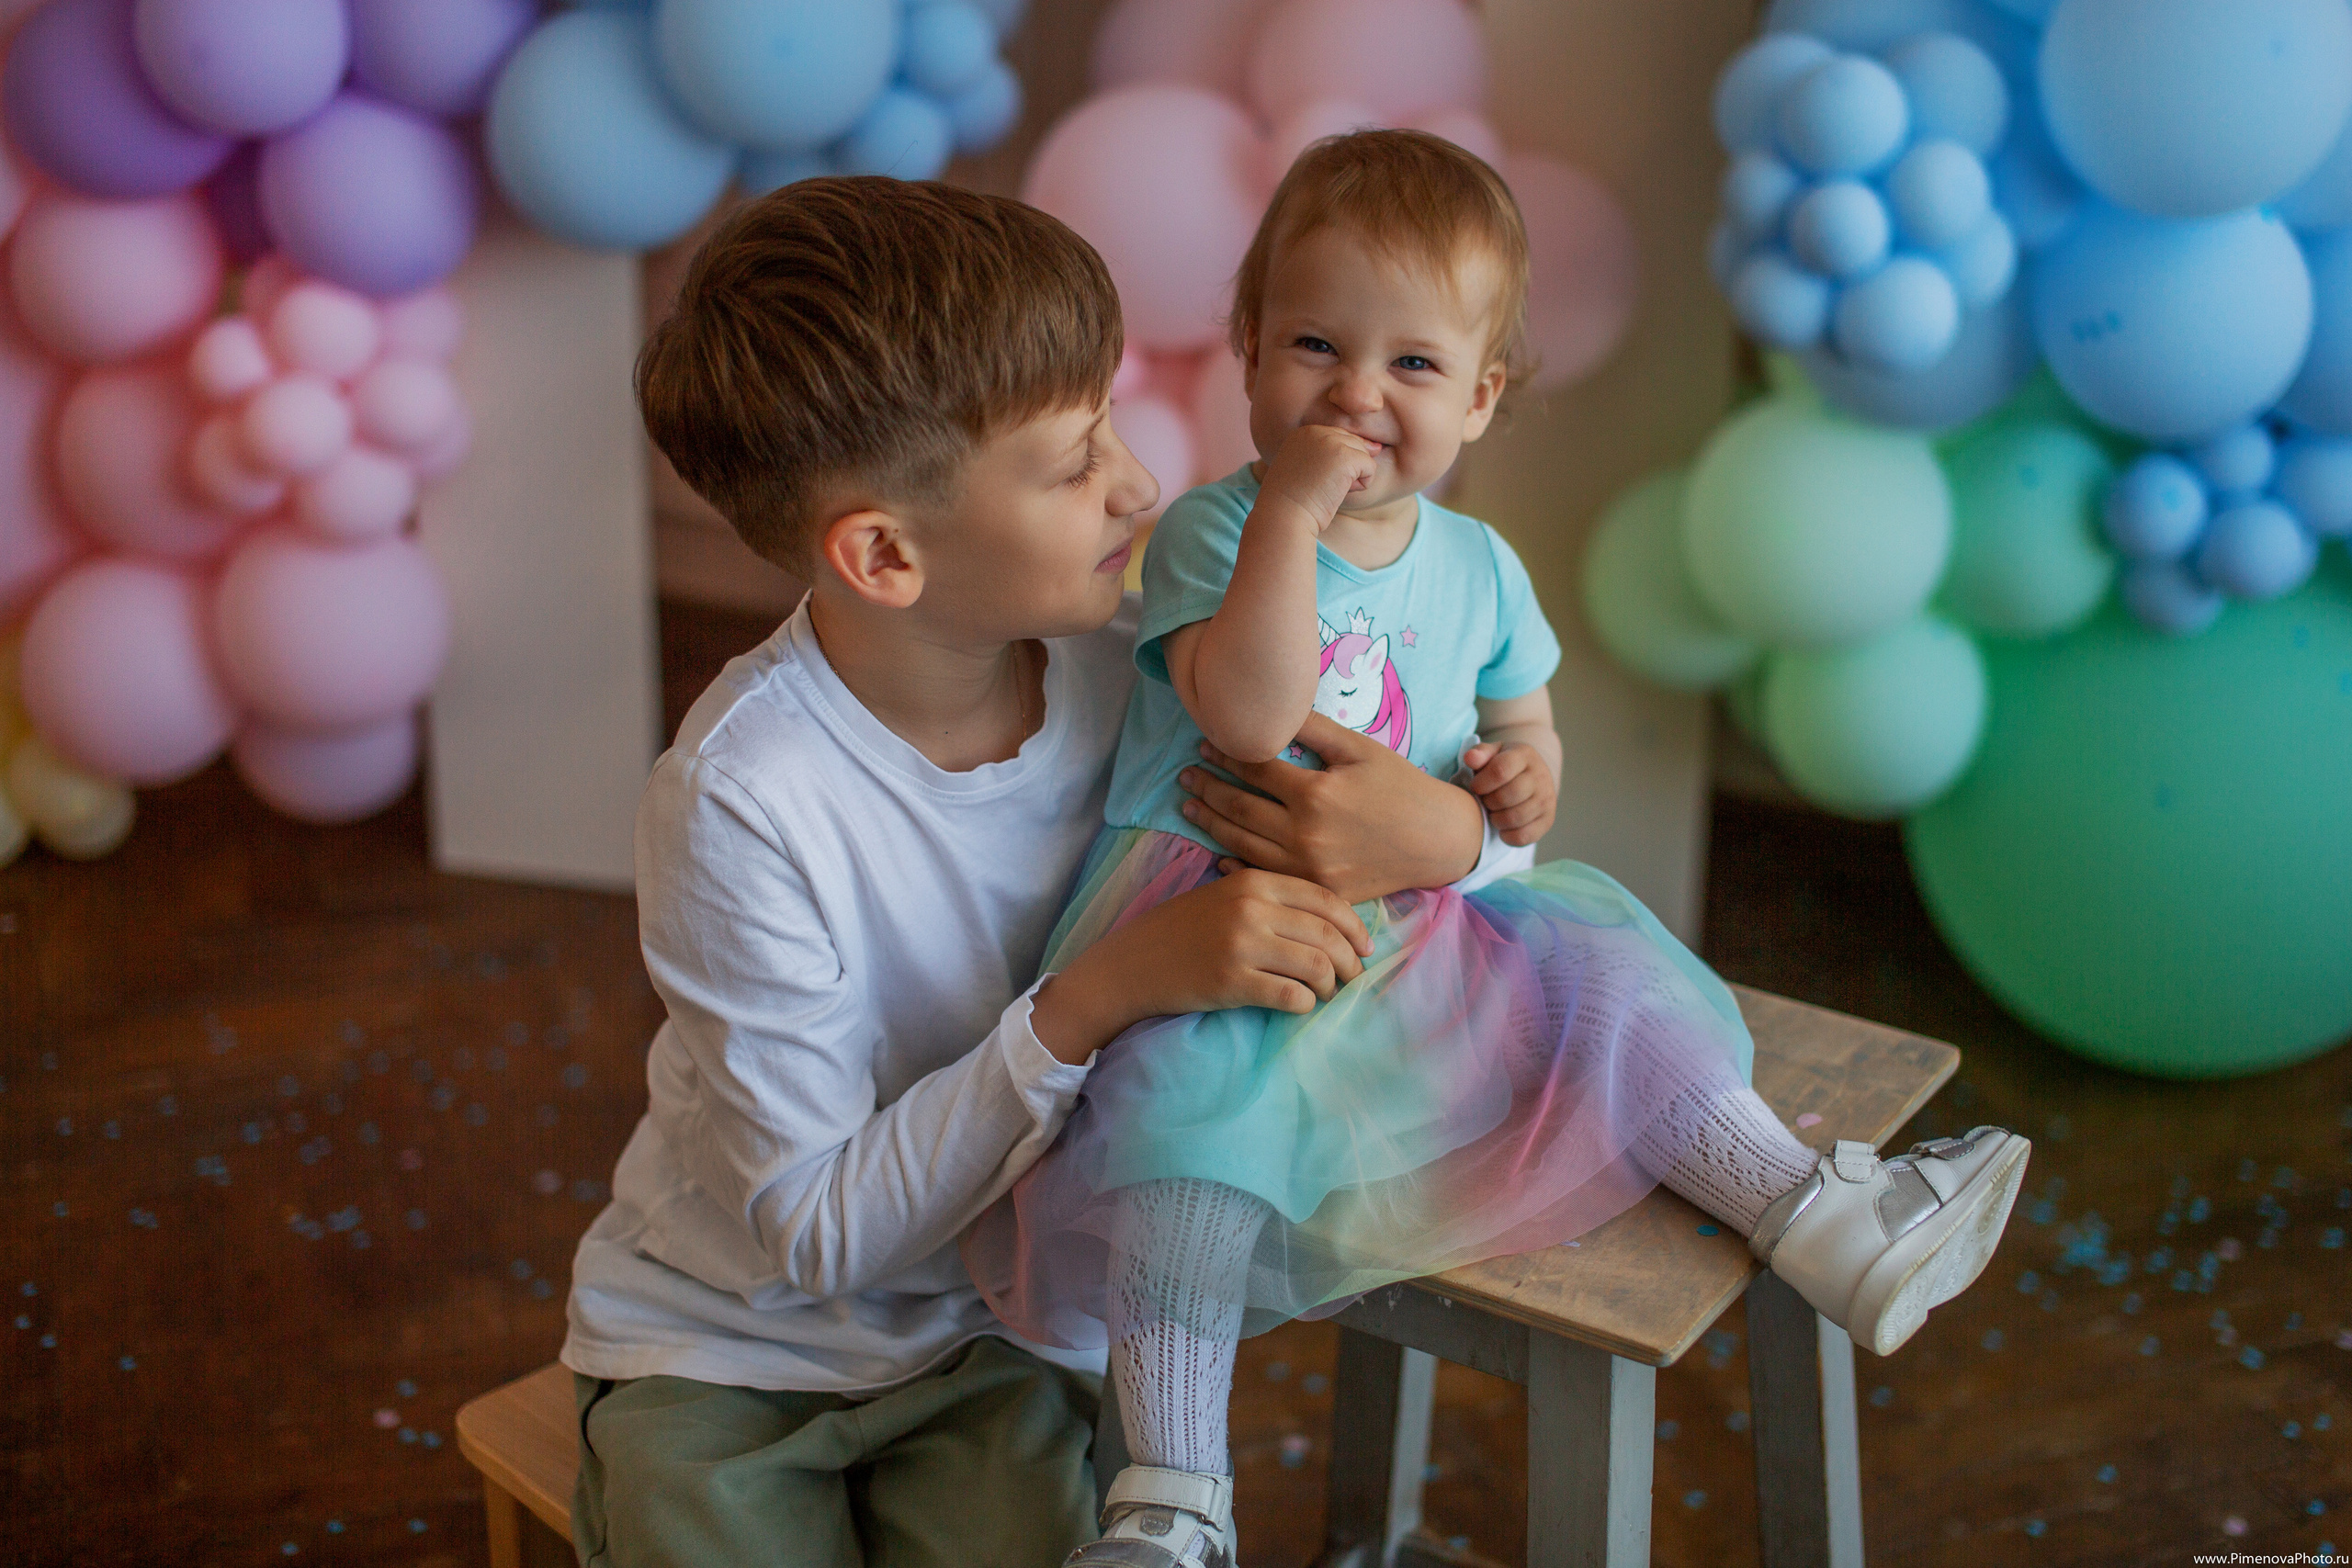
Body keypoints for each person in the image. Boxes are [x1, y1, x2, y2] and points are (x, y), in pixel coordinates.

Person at [963, 130, 2031, 1568]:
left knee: (1611, 980)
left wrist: (1520, 782)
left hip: (1423, 936)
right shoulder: (1216, 534)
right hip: (1224, 940)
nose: (1355, 394)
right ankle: (1171, 1494)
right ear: (1247, 355)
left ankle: (1815, 1214)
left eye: (1411, 366)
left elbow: (1522, 723)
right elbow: (1250, 707)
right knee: (1181, 1146)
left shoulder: (1481, 568)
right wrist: (1289, 509)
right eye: (1316, 346)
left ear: (1482, 396)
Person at [558, 175, 1518, 1568]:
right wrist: (1107, 991)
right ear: (885, 554)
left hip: (997, 1335)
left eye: (1114, 421)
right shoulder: (740, 803)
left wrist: (1463, 836)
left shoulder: (1137, 672)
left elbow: (1418, 825)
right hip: (726, 1350)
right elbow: (818, 1236)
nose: (1139, 482)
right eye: (1075, 460)